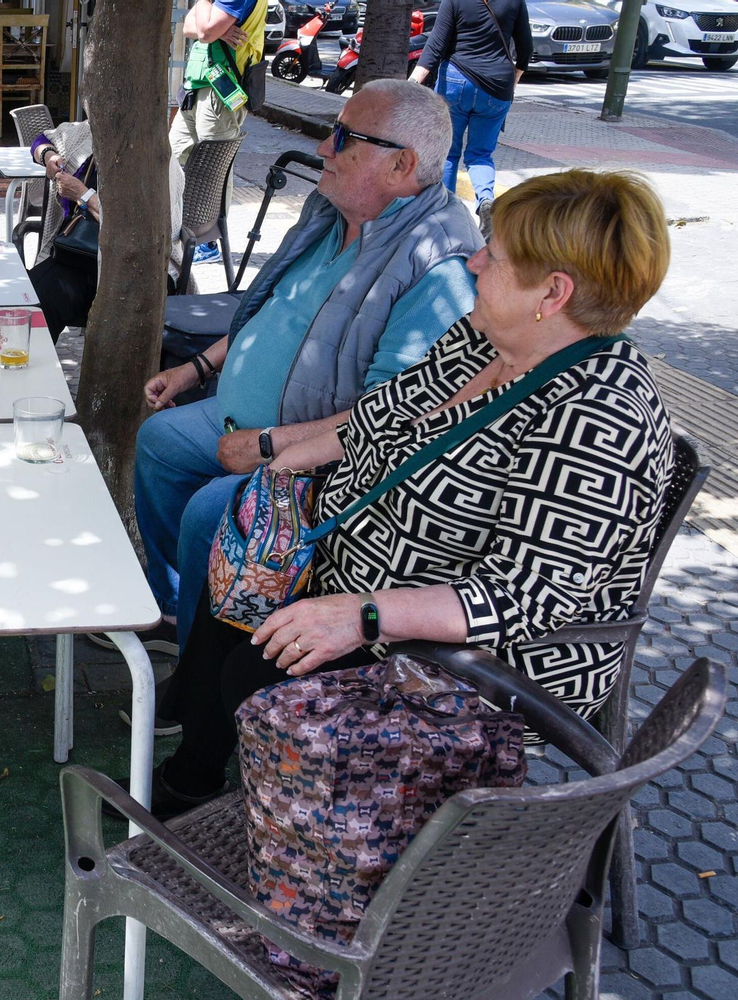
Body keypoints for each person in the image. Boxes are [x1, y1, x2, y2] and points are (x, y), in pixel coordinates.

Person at [125, 168, 674, 819]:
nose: (474, 260)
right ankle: (196, 781)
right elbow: (380, 415)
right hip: (353, 570)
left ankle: (295, 840)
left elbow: (522, 596)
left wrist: (361, 615)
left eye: (493, 257)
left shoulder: (599, 415)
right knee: (237, 584)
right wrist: (274, 456)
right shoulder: (485, 338)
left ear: (552, 293)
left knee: (254, 668)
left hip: (478, 659)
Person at [118, 81, 479, 689]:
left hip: (318, 458)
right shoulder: (332, 213)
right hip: (236, 420)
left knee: (211, 512)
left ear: (402, 164)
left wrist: (270, 445)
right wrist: (197, 368)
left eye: (344, 137)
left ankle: (200, 679)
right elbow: (269, 313)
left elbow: (393, 416)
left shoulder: (435, 263)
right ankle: (178, 604)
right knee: (158, 442)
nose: (322, 146)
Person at [25, 119, 186, 340]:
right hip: (79, 253)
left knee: (47, 301)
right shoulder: (89, 133)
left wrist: (82, 194)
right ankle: (29, 370)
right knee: (28, 303)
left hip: (139, 267)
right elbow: (41, 140)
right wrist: (49, 156)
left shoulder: (154, 154)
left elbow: (141, 228)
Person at [410, 0, 532, 236]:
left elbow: (435, 46)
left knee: (448, 152)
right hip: (498, 87)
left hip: (456, 81)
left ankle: (444, 214)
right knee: (481, 154)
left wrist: (410, 85)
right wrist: (513, 81)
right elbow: (526, 47)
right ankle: (486, 202)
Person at [168, 0, 267, 265]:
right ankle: (177, 233)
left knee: (212, 168)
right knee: (174, 160)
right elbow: (190, 26)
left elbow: (204, 32)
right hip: (198, 86)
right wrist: (215, 30)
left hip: (222, 89)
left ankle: (208, 242)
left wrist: (209, 22)